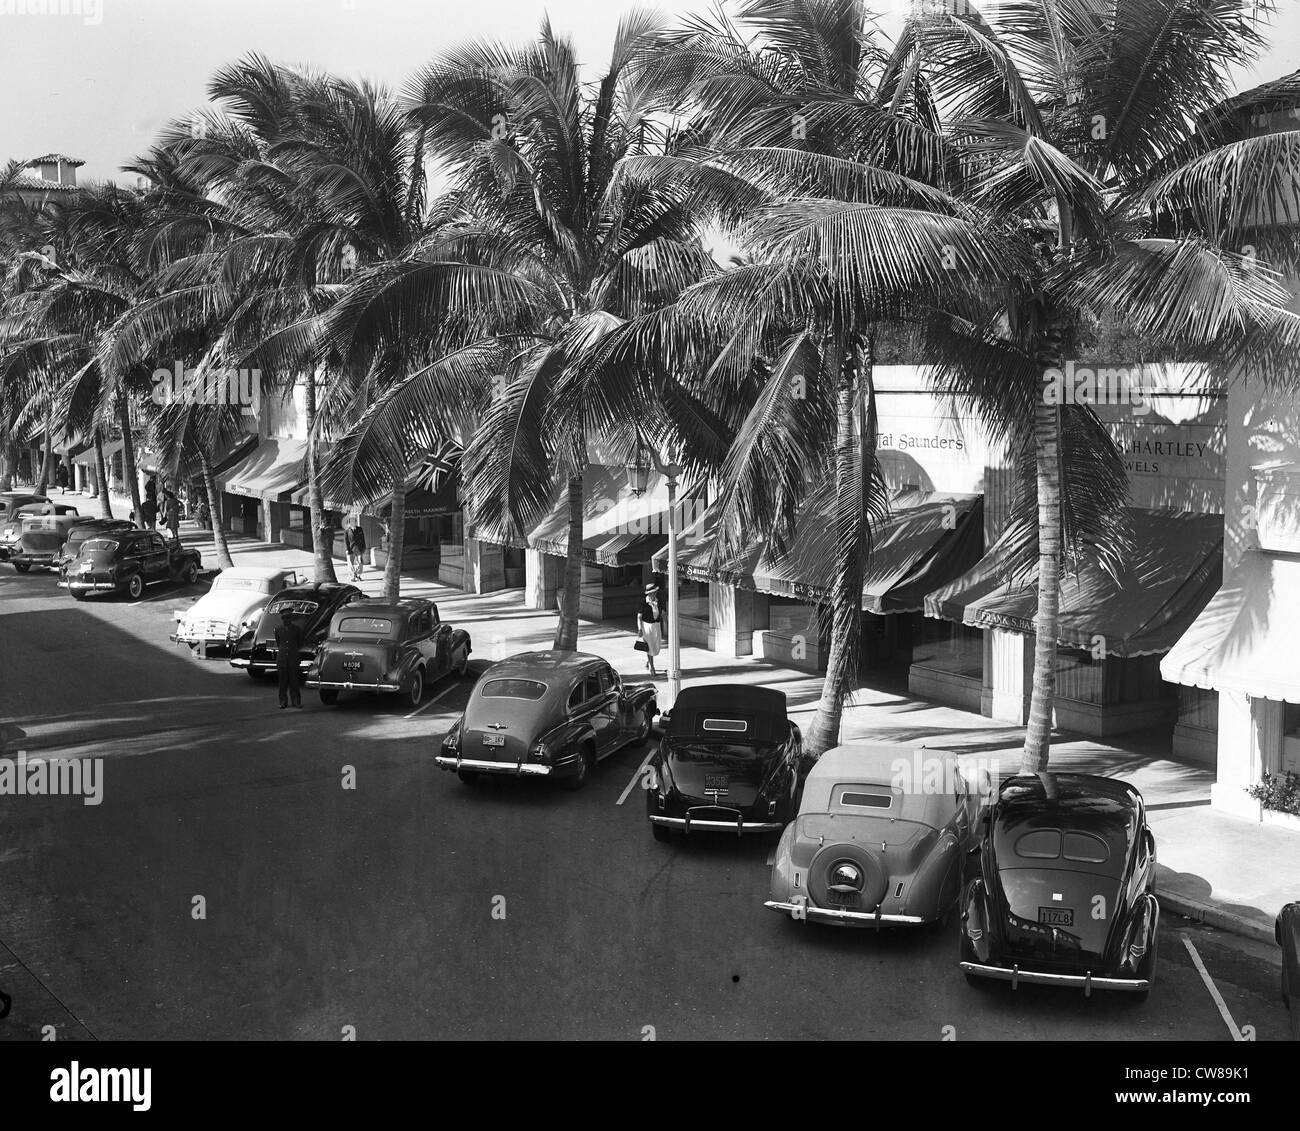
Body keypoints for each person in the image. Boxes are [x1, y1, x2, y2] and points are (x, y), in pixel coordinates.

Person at [273, 609, 304, 708]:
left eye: (288, 617)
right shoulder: (278, 629)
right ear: (282, 619)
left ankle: (296, 701)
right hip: (282, 659)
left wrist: (293, 651)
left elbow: (299, 643)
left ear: (291, 618)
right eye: (284, 618)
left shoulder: (297, 629)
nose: (286, 620)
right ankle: (283, 701)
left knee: (294, 681)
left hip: (293, 658)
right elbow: (279, 642)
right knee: (282, 682)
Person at [637, 581, 663, 677]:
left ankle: (648, 661)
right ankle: (652, 667)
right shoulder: (643, 602)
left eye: (655, 592)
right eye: (652, 592)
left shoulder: (659, 600)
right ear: (649, 593)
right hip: (647, 626)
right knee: (650, 646)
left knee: (656, 646)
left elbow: (663, 612)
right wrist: (640, 629)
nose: (654, 594)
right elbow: (639, 616)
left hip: (656, 625)